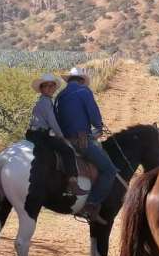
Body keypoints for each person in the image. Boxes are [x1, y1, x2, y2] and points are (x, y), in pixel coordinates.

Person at [55, 67, 118, 225]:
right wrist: (98, 127)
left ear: (69, 80)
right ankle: (90, 204)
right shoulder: (84, 91)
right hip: (80, 141)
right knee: (109, 170)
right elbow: (95, 117)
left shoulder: (60, 95)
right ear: (82, 80)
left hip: (63, 141)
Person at [26, 73, 80, 181]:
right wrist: (61, 136)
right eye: (46, 86)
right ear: (41, 89)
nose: (50, 88)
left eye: (52, 85)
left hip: (34, 133)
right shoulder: (46, 102)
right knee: (68, 150)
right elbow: (52, 122)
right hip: (40, 135)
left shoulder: (43, 101)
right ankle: (72, 181)